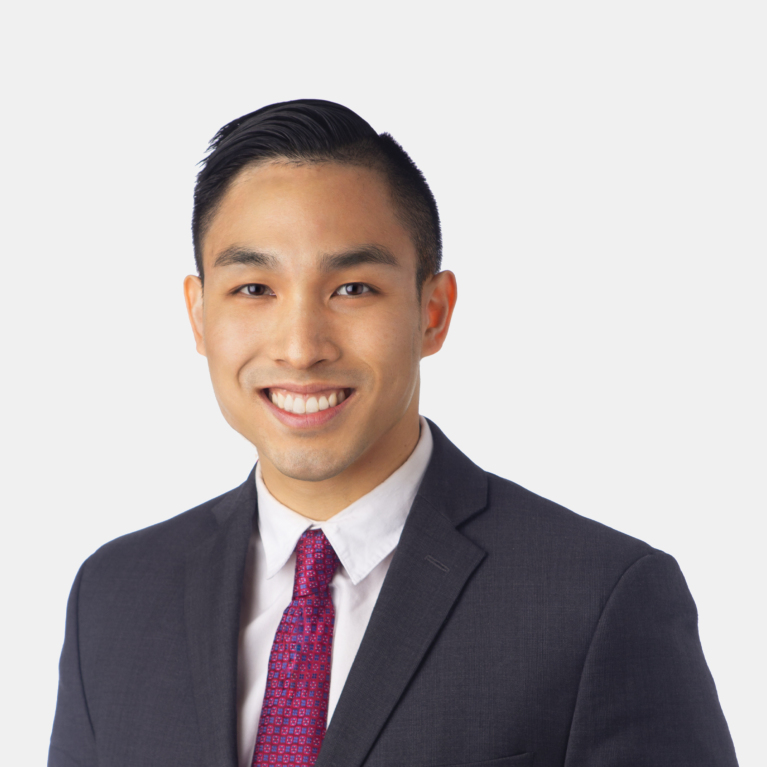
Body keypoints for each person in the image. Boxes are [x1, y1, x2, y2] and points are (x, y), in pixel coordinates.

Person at [48, 99, 739, 767]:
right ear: (199, 316)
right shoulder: (115, 596)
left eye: (352, 288)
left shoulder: (598, 599)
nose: (301, 348)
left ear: (432, 311)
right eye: (254, 289)